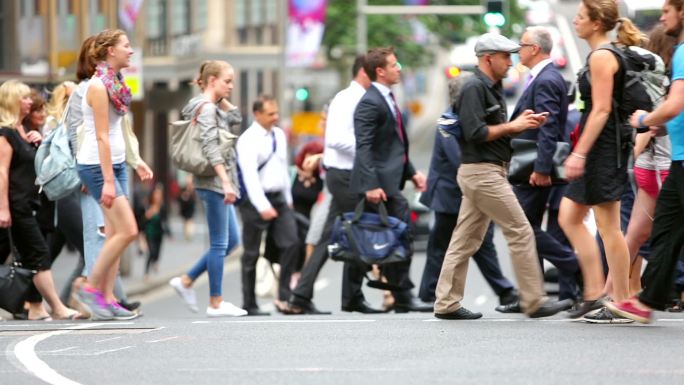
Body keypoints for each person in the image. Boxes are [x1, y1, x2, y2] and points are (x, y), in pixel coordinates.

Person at [433, 33, 571, 320]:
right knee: (520, 229)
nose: (512, 62)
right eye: (506, 57)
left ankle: (446, 302)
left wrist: (523, 125)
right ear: (488, 58)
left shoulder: (492, 87)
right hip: (482, 173)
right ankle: (534, 300)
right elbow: (475, 133)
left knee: (465, 239)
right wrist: (513, 126)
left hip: (486, 171)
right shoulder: (473, 88)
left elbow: (494, 132)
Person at [558, 0, 645, 323]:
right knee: (571, 216)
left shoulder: (602, 56)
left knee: (609, 226)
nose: (576, 20)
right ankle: (596, 293)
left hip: (603, 150)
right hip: (602, 148)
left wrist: (580, 152)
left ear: (596, 23)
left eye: (581, 16)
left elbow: (602, 109)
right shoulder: (603, 54)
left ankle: (621, 300)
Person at [606, 0, 684, 323]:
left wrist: (645, 118)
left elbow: (677, 102)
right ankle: (647, 300)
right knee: (665, 231)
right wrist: (662, 125)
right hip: (679, 159)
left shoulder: (682, 53)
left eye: (668, 10)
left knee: (665, 230)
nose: (662, 17)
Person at [419, 71, 519, 307]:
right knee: (446, 245)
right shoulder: (449, 121)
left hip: (459, 192)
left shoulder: (456, 118)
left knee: (466, 244)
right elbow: (461, 158)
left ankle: (431, 291)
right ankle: (432, 291)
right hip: (449, 194)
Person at [287, 55, 377, 314]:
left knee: (329, 237)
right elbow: (336, 140)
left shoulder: (357, 98)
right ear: (363, 72)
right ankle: (355, 295)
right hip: (346, 175)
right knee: (361, 231)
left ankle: (301, 296)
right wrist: (369, 148)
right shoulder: (348, 99)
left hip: (346, 174)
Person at [67, 35, 145, 316]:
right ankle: (87, 289)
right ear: (110, 51)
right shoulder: (99, 86)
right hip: (98, 167)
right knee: (128, 231)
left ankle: (108, 298)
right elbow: (101, 136)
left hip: (117, 163)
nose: (131, 49)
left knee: (114, 232)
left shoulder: (116, 84)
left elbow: (118, 131)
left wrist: (134, 161)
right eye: (126, 45)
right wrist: (108, 181)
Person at [351, 46, 432, 313]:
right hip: (380, 187)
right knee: (394, 238)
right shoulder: (370, 102)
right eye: (394, 65)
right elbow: (364, 147)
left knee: (386, 239)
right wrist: (371, 184)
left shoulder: (386, 97)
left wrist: (412, 173)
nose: (399, 68)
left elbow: (392, 145)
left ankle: (396, 296)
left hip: (390, 181)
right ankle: (402, 296)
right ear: (380, 71)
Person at [507, 26, 580, 307]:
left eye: (521, 45)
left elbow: (548, 127)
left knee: (523, 228)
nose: (518, 50)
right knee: (528, 227)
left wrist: (542, 168)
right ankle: (532, 295)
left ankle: (576, 266)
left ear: (534, 49)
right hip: (532, 166)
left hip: (534, 169)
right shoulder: (541, 77)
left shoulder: (546, 79)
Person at [169, 60, 247, 317]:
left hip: (215, 181)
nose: (231, 86)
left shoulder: (209, 106)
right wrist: (225, 182)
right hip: (214, 183)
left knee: (232, 240)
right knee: (219, 243)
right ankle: (215, 302)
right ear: (213, 80)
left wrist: (216, 94)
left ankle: (187, 280)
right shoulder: (206, 110)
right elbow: (211, 147)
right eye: (227, 81)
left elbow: (236, 118)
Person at [0, 79, 80, 321]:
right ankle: (56, 306)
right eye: (24, 97)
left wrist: (35, 143)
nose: (29, 101)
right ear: (12, 101)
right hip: (16, 206)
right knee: (39, 254)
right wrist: (3, 208)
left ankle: (37, 308)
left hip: (27, 205)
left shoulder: (21, 132)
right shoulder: (5, 133)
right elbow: (2, 172)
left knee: (29, 255)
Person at [237, 94, 299, 316]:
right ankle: (249, 303)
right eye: (270, 114)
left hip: (279, 199)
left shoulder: (279, 135)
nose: (276, 117)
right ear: (257, 114)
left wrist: (288, 200)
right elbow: (250, 177)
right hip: (254, 202)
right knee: (251, 253)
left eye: (276, 112)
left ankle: (283, 296)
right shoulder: (247, 139)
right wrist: (262, 206)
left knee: (291, 242)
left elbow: (283, 168)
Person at [143, 184, 169, 280]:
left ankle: (156, 262)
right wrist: (147, 216)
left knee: (157, 252)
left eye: (159, 195)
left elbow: (165, 220)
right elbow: (143, 221)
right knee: (151, 252)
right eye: (156, 194)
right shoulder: (148, 206)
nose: (157, 196)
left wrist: (169, 233)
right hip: (150, 233)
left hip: (159, 233)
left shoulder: (162, 207)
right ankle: (146, 272)